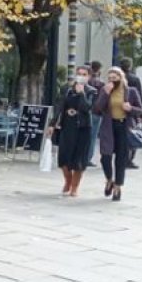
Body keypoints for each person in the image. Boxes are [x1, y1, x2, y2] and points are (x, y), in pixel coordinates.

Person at [93, 66, 142, 202]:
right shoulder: (105, 91)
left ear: (121, 78)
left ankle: (118, 187)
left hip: (124, 127)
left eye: (114, 78)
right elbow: (97, 109)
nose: (111, 81)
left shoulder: (131, 91)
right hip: (109, 127)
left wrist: (130, 108)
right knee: (105, 156)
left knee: (121, 159)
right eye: (109, 78)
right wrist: (105, 93)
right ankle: (109, 179)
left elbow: (140, 109)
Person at [46, 65, 97, 197]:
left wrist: (81, 94)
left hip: (83, 127)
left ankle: (74, 187)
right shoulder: (67, 89)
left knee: (79, 159)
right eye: (79, 73)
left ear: (89, 77)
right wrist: (52, 123)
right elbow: (59, 106)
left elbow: (87, 108)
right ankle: (68, 180)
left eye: (84, 74)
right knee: (64, 157)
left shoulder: (92, 91)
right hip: (67, 126)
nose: (81, 76)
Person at [119, 58, 142, 169]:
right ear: (130, 66)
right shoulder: (134, 79)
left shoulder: (116, 77)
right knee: (133, 135)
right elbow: (140, 96)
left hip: (118, 111)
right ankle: (129, 159)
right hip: (131, 112)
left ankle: (122, 158)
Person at [87, 61, 105, 167]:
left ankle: (80, 156)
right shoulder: (100, 83)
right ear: (99, 70)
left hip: (86, 111)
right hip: (96, 113)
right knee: (93, 136)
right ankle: (88, 157)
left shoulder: (86, 81)